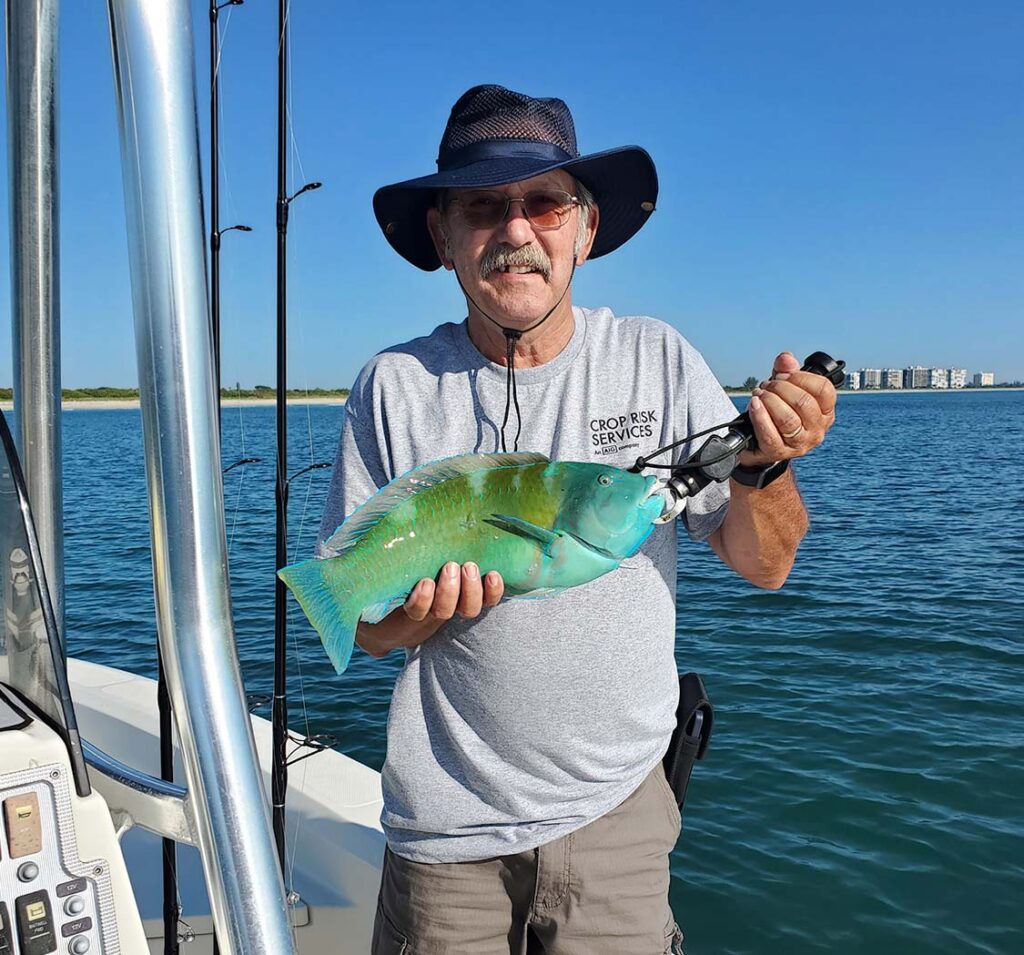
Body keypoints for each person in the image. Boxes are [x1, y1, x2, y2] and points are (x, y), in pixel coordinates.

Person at [317, 85, 837, 955]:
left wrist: (767, 464)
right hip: (445, 835)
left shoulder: (657, 358)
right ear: (443, 236)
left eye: (544, 203)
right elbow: (366, 630)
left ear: (585, 230)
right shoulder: (393, 386)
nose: (516, 230)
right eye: (483, 206)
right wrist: (419, 614)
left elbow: (767, 564)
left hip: (619, 817)